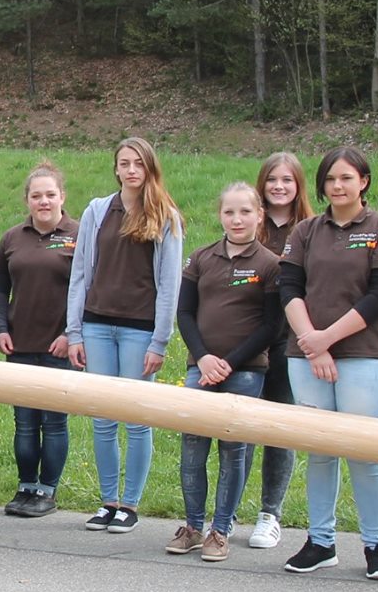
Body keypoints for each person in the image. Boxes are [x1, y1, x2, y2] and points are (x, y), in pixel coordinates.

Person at [280, 146, 378, 579]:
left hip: (365, 355)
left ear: (364, 182)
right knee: (319, 451)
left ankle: (377, 545)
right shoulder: (305, 231)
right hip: (307, 354)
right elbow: (289, 289)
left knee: (362, 453)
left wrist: (327, 340)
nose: (338, 186)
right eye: (331, 179)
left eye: (347, 178)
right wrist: (311, 345)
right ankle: (321, 541)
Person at [65, 137, 184, 534]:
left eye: (138, 164)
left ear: (150, 168)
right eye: (124, 163)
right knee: (103, 418)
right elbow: (80, 273)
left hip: (139, 330)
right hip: (97, 325)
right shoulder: (98, 211)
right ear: (115, 169)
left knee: (136, 420)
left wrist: (160, 340)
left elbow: (170, 284)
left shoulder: (165, 216)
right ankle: (108, 501)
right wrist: (75, 331)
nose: (131, 170)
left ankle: (130, 504)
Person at [170, 183, 282, 561]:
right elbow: (184, 312)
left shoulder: (269, 264)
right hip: (199, 369)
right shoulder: (201, 258)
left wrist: (230, 363)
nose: (237, 219)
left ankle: (220, 531)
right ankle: (193, 526)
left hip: (246, 371)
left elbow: (270, 326)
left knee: (234, 452)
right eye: (230, 212)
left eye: (245, 212)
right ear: (220, 215)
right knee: (192, 448)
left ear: (259, 216)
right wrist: (202, 358)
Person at [0, 164, 78, 518]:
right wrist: (0, 328)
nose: (43, 201)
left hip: (59, 346)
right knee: (25, 423)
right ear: (27, 200)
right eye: (36, 196)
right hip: (20, 345)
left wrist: (70, 334)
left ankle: (48, 489)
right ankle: (26, 485)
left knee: (54, 422)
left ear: (62, 196)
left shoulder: (80, 235)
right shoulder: (12, 238)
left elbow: (88, 290)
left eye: (50, 194)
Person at [245, 152, 312, 548]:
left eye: (287, 180)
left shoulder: (311, 229)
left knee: (279, 430)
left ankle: (270, 513)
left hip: (290, 344)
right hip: (247, 342)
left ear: (298, 185)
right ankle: (228, 508)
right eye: (272, 179)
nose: (279, 187)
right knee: (242, 427)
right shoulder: (248, 223)